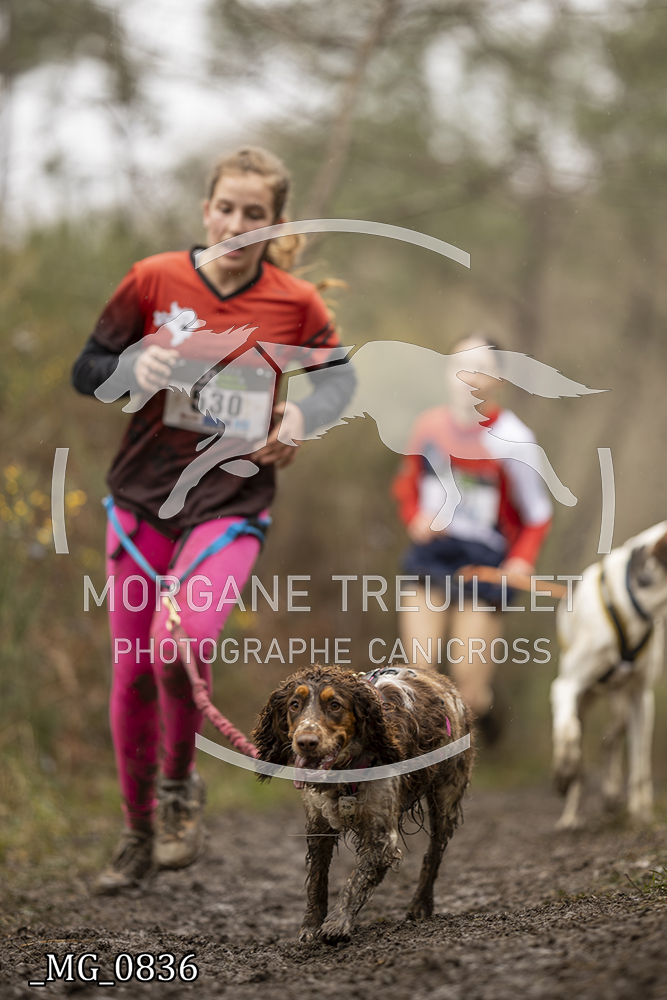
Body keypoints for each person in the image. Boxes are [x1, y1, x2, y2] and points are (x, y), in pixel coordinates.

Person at [72, 147, 355, 893]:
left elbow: (340, 382)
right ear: (206, 211)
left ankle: (178, 787)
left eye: (253, 214)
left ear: (275, 224)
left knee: (182, 643)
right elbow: (87, 367)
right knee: (134, 669)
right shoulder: (152, 279)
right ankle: (137, 831)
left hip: (231, 502)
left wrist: (301, 415)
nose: (235, 225)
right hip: (144, 498)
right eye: (225, 209)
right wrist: (128, 369)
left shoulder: (295, 303)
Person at [392, 333, 553, 742]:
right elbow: (407, 486)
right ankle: (425, 764)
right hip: (432, 553)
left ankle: (478, 715)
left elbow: (538, 514)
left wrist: (522, 559)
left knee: (468, 688)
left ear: (498, 380)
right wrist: (414, 518)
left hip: (484, 563)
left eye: (481, 369)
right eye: (460, 366)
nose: (469, 377)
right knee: (419, 675)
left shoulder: (515, 439)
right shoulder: (428, 426)